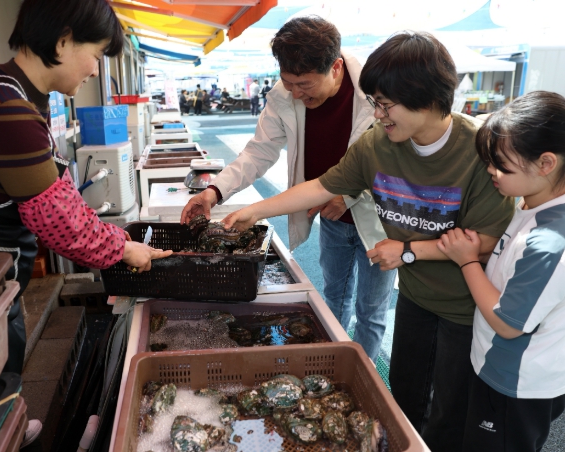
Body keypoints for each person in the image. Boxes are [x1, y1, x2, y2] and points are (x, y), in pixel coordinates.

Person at [219, 31, 515, 452]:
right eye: (374, 102)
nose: (377, 114)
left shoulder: (480, 150)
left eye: (384, 105)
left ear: (427, 98)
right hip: (415, 297)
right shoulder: (377, 144)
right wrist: (254, 211)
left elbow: (485, 242)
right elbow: (321, 186)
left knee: (451, 411)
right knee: (405, 397)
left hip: (466, 308)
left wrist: (408, 251)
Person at [0, 0, 172, 445]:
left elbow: (59, 195)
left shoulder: (17, 94)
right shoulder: (6, 109)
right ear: (63, 41)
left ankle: (7, 418)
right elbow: (59, 221)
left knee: (1, 355)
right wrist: (123, 248)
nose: (94, 70)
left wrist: (113, 237)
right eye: (96, 54)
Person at [180, 16, 396, 365]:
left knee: (371, 309)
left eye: (304, 84)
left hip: (379, 220)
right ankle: (331, 363)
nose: (296, 93)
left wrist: (349, 195)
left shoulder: (376, 93)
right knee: (334, 296)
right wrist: (214, 191)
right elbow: (258, 151)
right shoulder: (285, 96)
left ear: (336, 67)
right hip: (329, 216)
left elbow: (394, 159)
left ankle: (364, 371)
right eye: (288, 82)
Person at [436, 91, 565, 452]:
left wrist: (467, 260)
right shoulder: (534, 202)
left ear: (546, 163)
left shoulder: (549, 243)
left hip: (515, 381)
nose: (491, 171)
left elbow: (509, 324)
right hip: (503, 368)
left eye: (502, 166)